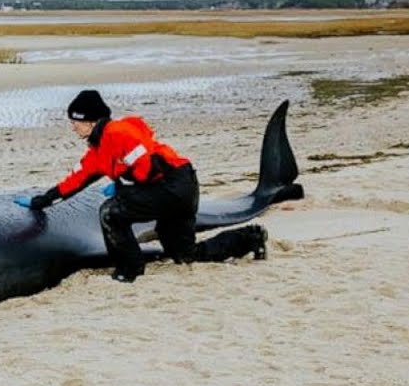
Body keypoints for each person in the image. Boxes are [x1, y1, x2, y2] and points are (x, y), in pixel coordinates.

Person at [27, 89, 267, 282]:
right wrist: (45, 200)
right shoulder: (98, 150)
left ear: (90, 121)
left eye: (75, 121)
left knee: (111, 212)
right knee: (184, 255)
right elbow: (77, 179)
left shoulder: (119, 133)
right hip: (173, 188)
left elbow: (147, 167)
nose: (73, 127)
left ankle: (128, 270)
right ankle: (250, 238)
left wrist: (122, 184)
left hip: (173, 186)